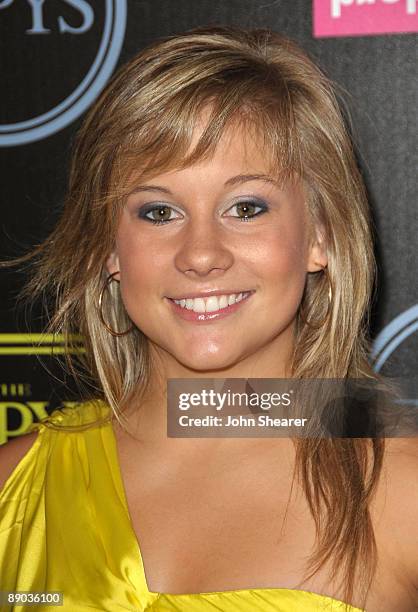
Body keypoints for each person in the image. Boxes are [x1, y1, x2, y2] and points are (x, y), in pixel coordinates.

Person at [0, 25, 416, 612]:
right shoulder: (14, 491)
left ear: (320, 235)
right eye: (159, 211)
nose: (200, 254)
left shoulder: (405, 485)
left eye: (246, 208)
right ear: (108, 249)